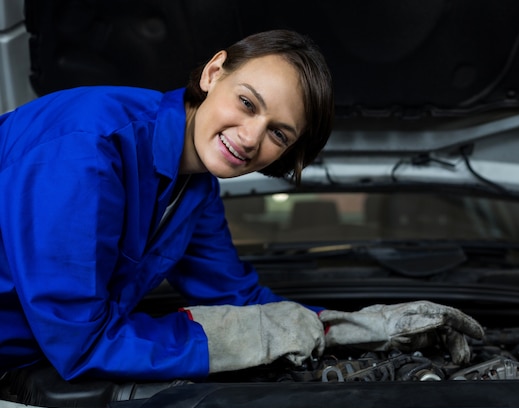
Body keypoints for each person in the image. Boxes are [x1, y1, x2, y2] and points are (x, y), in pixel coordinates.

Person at [0, 29, 483, 381]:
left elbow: (239, 302)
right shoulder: (87, 149)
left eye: (278, 133)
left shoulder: (195, 191)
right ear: (213, 73)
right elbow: (79, 339)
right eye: (248, 103)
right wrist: (248, 339)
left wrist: (361, 328)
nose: (251, 138)